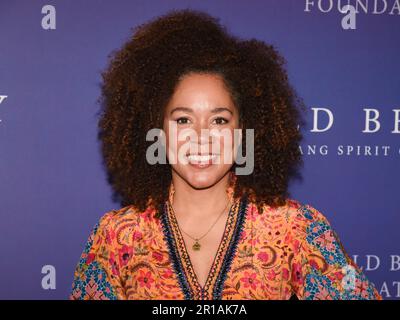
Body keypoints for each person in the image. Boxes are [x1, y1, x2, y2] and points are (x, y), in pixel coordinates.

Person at [69, 9, 381, 300]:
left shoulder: (294, 227)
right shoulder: (118, 235)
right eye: (183, 120)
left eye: (219, 120)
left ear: (244, 129)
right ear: (156, 129)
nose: (201, 137)